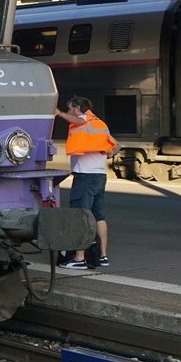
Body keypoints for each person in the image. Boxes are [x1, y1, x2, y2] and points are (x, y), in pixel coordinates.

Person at [54, 96, 119, 269]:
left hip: (85, 176)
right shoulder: (100, 124)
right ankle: (102, 256)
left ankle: (79, 258)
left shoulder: (82, 120)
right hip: (99, 175)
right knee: (98, 215)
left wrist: (59, 114)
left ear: (77, 108)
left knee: (80, 217)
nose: (68, 112)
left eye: (69, 109)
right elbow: (116, 146)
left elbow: (78, 120)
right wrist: (102, 154)